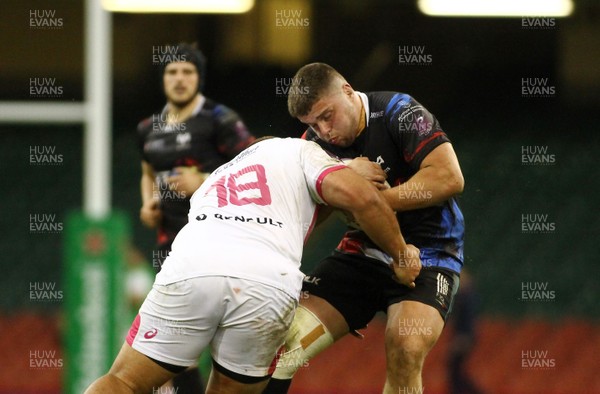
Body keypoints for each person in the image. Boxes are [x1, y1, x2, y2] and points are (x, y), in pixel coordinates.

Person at [85, 136, 421, 394]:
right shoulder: (298, 150)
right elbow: (361, 198)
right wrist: (400, 254)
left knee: (123, 381)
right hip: (266, 281)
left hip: (193, 266)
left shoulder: (219, 176)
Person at [264, 63, 465, 394]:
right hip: (362, 252)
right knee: (281, 346)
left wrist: (372, 201)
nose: (323, 130)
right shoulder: (313, 143)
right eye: (312, 123)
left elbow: (449, 177)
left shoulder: (399, 111)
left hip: (430, 254)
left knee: (406, 348)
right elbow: (308, 210)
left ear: (347, 90)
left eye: (327, 116)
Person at [137, 43, 255, 391]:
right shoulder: (148, 127)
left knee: (226, 347)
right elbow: (147, 171)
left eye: (187, 71)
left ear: (199, 78)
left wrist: (202, 181)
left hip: (220, 246)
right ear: (163, 79)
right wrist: (147, 204)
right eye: (172, 72)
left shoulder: (221, 119)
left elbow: (253, 169)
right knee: (173, 350)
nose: (179, 79)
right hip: (172, 249)